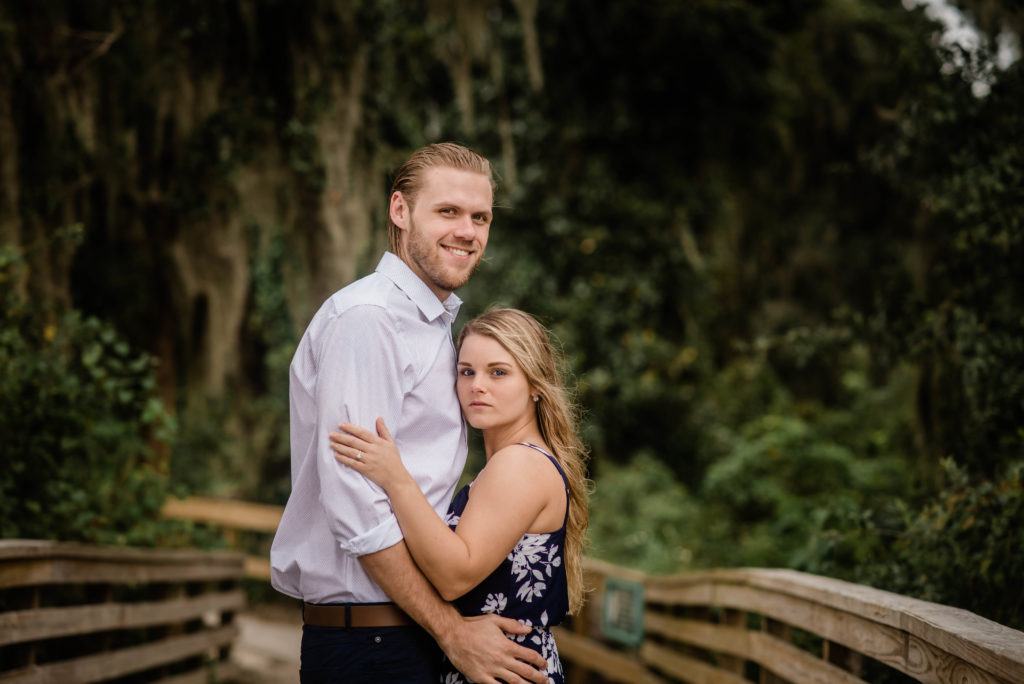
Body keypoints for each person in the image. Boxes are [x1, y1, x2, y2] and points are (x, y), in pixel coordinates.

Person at [269, 143, 549, 684]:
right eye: (447, 212)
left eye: (480, 217)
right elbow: (357, 508)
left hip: (403, 632)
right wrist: (451, 631)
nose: (467, 231)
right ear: (400, 212)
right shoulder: (371, 321)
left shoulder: (430, 324)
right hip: (373, 642)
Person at [330, 308, 591, 684]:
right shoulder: (514, 461)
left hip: (503, 671)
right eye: (467, 371)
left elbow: (455, 575)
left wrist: (396, 478)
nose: (476, 386)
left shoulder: (520, 464)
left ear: (535, 385)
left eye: (498, 372)